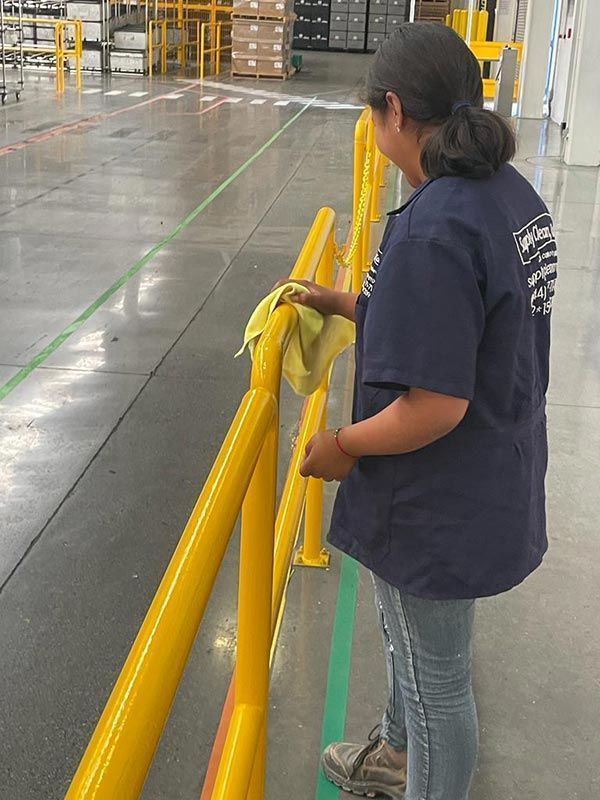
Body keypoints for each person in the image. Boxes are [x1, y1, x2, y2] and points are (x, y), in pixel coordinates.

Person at [291, 22, 557, 800]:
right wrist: (348, 302)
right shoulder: (507, 193)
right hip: (489, 474)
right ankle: (399, 757)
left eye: (373, 113)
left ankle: (420, 767)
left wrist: (343, 443)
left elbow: (435, 404)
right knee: (423, 650)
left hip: (437, 492)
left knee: (437, 681)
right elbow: (469, 322)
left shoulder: (436, 224)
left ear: (395, 112)